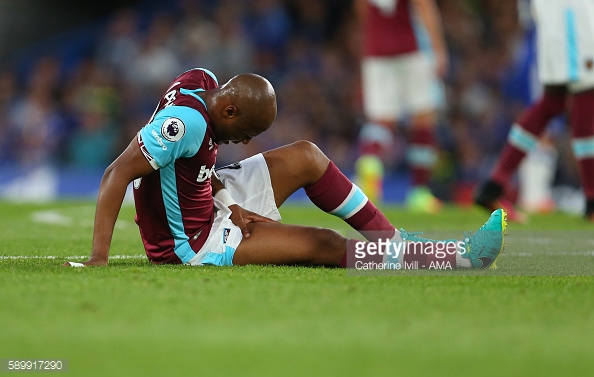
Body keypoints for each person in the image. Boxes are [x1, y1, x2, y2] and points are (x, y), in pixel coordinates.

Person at [65, 68, 506, 270]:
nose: (245, 143)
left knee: (306, 157)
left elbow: (186, 170)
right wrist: (99, 258)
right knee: (324, 245)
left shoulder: (199, 82)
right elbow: (116, 174)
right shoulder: (189, 123)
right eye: (246, 133)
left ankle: (391, 239)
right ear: (231, 109)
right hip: (192, 242)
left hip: (214, 201)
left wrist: (228, 201)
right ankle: (451, 258)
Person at [475, 0, 594, 222]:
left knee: (553, 101)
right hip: (571, 11)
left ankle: (494, 186)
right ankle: (592, 200)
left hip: (560, 13)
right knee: (585, 93)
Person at [354, 0, 448, 213]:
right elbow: (424, 6)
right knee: (423, 117)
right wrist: (438, 47)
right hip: (411, 49)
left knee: (382, 120)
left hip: (376, 52)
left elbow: (361, 10)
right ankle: (419, 192)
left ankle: (369, 161)